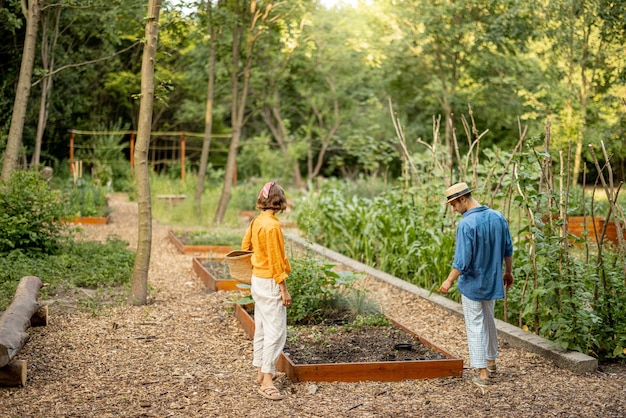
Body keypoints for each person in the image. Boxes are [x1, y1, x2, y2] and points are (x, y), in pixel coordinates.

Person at [439, 182, 514, 388]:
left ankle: (481, 373)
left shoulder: (467, 224)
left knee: (474, 325)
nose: (454, 210)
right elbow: (508, 248)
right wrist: (508, 272)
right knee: (489, 320)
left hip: (473, 283)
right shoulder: (498, 217)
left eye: (454, 205)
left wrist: (449, 280)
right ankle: (491, 362)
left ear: (463, 199)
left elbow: (462, 260)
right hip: (492, 281)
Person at [241, 181, 292, 401]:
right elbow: (276, 260)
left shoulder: (257, 221)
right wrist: (283, 289)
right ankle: (268, 378)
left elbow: (245, 248)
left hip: (257, 280)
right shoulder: (272, 226)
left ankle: (261, 372)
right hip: (270, 282)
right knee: (276, 331)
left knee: (262, 326)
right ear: (279, 201)